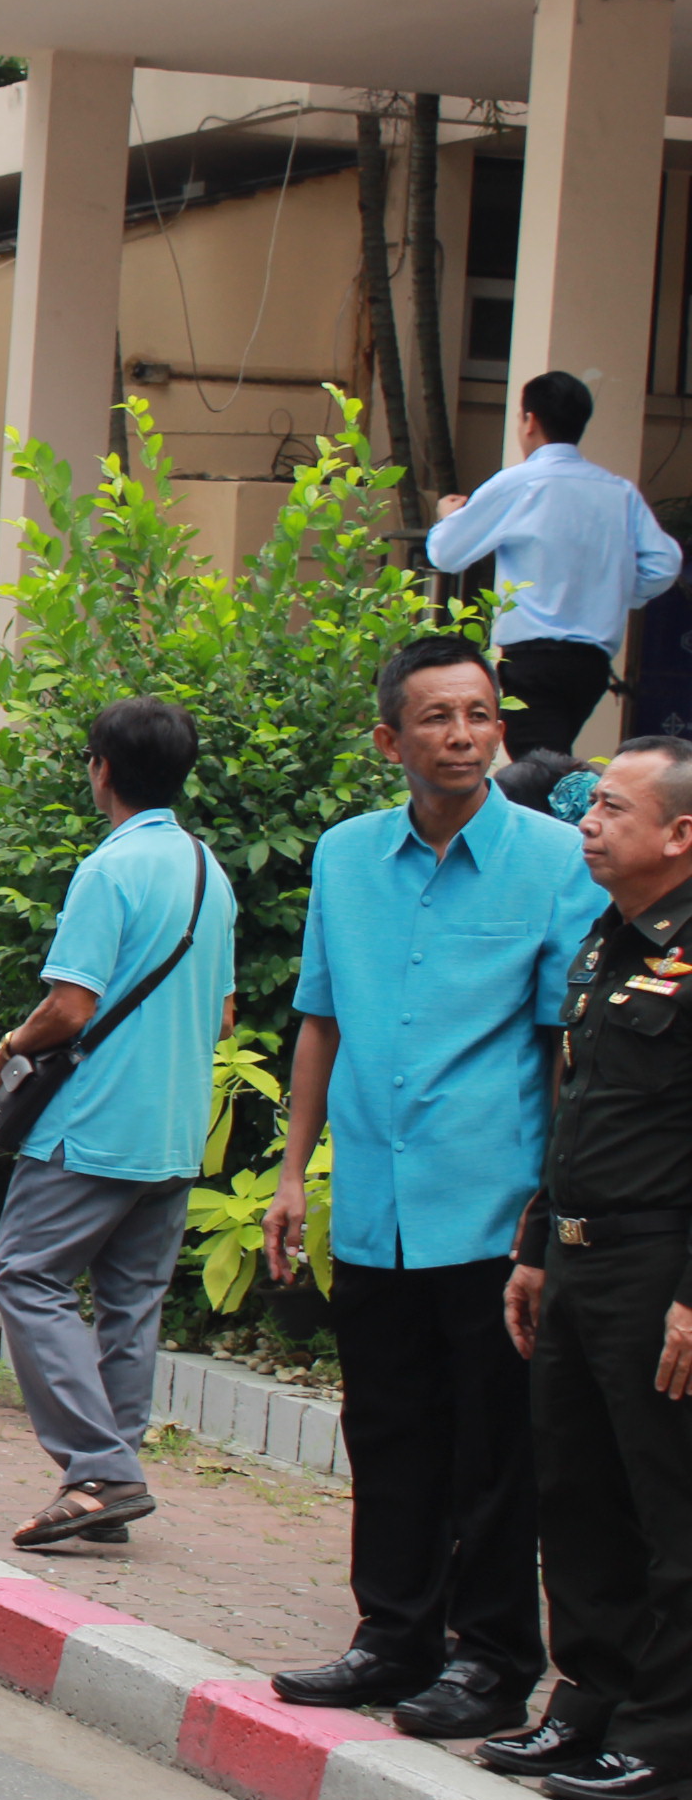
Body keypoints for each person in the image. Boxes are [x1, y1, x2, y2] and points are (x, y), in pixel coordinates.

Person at [262, 637, 595, 1737]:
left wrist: (551, 1207)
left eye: (480, 715)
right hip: (373, 1201)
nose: (463, 736)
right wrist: (293, 1173)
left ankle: (492, 1660)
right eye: (438, 718)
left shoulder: (553, 859)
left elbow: (562, 1048)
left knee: (494, 1447)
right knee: (387, 1428)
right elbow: (321, 1020)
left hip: (492, 1203)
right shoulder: (347, 856)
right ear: (388, 739)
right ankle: (392, 1638)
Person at [0, 698, 241, 1552]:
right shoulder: (209, 871)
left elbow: (71, 1006)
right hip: (175, 1125)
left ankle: (99, 1468)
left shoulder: (110, 869)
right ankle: (112, 1480)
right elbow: (225, 1015)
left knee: (27, 1276)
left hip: (94, 1124)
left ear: (101, 769)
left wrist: (14, 1042)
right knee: (130, 1305)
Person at [489, 738, 692, 1800]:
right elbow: (576, 1116)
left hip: (661, 1265)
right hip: (577, 1258)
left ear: (680, 834)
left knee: (670, 1504)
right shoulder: (607, 941)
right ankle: (587, 1702)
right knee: (577, 1492)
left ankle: (668, 1733)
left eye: (613, 807)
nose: (589, 823)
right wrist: (535, 1251)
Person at [424, 371, 683, 757]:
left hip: (533, 658)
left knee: (538, 768)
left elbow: (446, 553)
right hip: (592, 662)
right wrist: (617, 592)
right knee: (547, 760)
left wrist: (449, 517)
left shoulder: (519, 483)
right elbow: (664, 562)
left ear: (530, 420)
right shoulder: (618, 491)